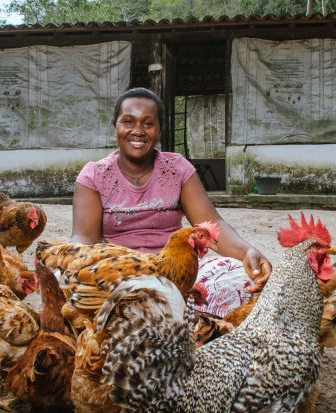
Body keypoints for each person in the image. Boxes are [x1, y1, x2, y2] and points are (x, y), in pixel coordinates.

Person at [71, 87, 272, 316]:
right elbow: (83, 239)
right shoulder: (94, 175)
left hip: (176, 273)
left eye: (148, 123)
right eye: (128, 121)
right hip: (120, 272)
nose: (137, 131)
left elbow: (211, 223)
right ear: (115, 127)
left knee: (242, 281)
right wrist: (74, 268)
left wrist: (248, 251)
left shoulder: (177, 169)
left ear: (159, 130)